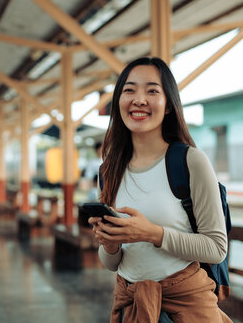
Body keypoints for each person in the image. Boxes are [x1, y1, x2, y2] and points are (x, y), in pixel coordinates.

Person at [89, 57, 231, 323]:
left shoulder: (190, 161)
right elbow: (112, 263)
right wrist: (109, 244)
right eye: (129, 90)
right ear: (118, 101)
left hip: (186, 306)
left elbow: (216, 248)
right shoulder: (109, 170)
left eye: (152, 91)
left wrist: (151, 233)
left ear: (168, 106)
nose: (139, 99)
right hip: (131, 304)